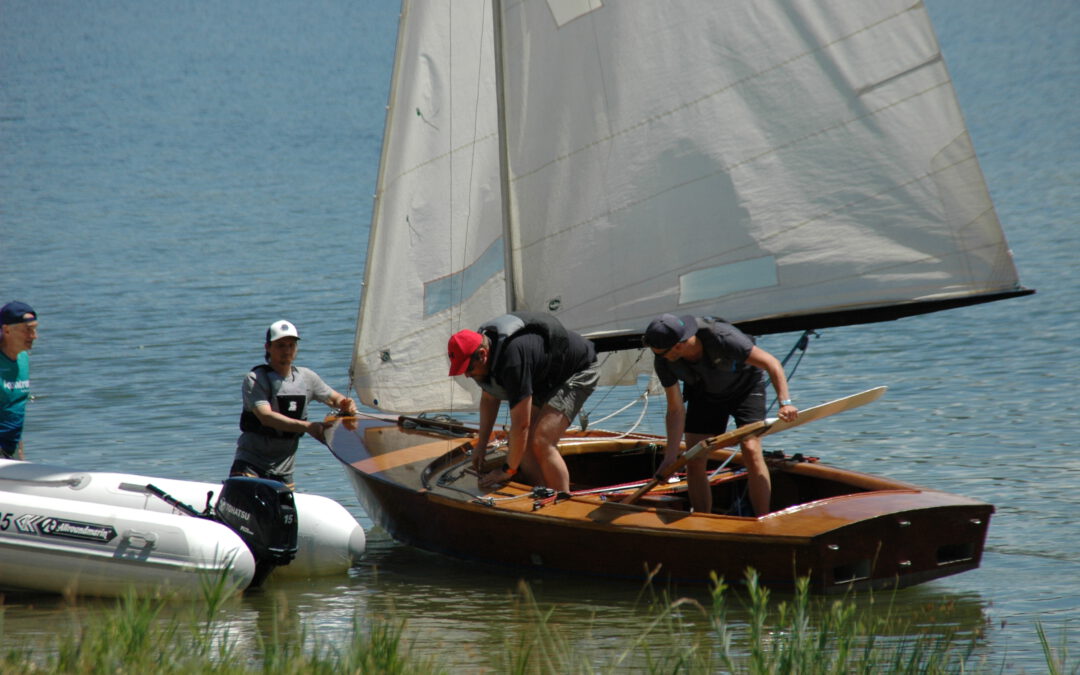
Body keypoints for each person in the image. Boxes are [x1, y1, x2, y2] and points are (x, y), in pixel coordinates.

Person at [642, 313, 798, 516]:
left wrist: (785, 403)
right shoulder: (663, 362)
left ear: (678, 346)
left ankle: (762, 518)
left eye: (662, 353)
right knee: (694, 457)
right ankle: (702, 518)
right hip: (705, 393)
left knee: (751, 449)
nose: (659, 357)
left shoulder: (723, 337)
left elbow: (772, 363)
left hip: (745, 388)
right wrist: (670, 457)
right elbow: (675, 409)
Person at [447, 312, 599, 493]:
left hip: (578, 370)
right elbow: (489, 398)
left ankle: (562, 499)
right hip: (545, 377)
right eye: (462, 370)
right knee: (521, 445)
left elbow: (521, 426)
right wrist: (481, 445)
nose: (467, 375)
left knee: (542, 440)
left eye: (469, 368)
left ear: (482, 354)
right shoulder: (487, 357)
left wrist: (507, 471)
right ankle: (542, 491)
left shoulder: (512, 362)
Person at [230, 320, 356, 488]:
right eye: (281, 345)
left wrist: (346, 404)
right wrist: (309, 427)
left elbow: (334, 399)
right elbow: (266, 417)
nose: (287, 350)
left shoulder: (307, 378)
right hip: (251, 465)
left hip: (284, 472)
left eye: (291, 345)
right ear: (268, 347)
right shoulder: (255, 379)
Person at [1, 301, 38, 460]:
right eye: (27, 330)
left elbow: (15, 407)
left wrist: (19, 454)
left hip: (11, 449)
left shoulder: (23, 357)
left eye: (35, 329)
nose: (34, 336)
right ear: (6, 330)